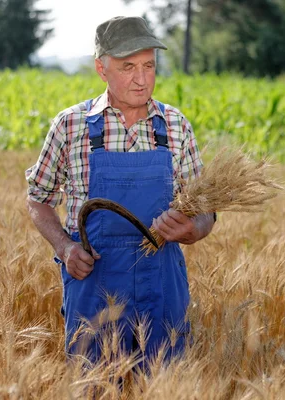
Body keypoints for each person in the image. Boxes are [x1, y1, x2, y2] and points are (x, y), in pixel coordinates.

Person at [25, 16, 215, 364]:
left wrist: (194, 229)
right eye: (128, 67)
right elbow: (38, 199)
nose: (142, 79)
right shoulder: (70, 126)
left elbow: (206, 208)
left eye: (149, 66)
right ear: (102, 68)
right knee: (93, 387)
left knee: (165, 385)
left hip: (161, 289)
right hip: (94, 283)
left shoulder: (176, 126)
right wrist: (65, 247)